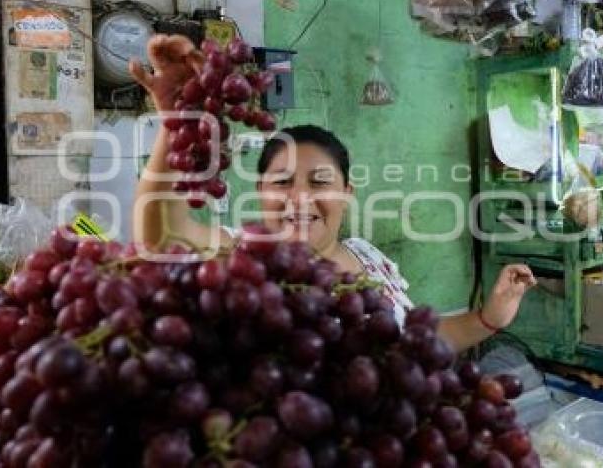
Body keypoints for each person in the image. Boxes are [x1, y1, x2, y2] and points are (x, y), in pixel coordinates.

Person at [131, 35, 536, 353]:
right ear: (259, 191)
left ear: (347, 193)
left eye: (320, 182)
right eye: (283, 182)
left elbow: (417, 343)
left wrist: (489, 318)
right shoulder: (242, 260)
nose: (301, 198)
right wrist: (176, 123)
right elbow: (162, 237)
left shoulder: (367, 257)